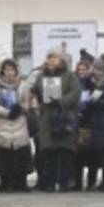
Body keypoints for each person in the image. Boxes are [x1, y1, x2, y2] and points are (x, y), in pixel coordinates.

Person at [31, 46, 80, 192]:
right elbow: (36, 89)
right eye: (49, 57)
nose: (51, 61)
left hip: (64, 117)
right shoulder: (41, 75)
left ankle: (64, 183)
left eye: (54, 57)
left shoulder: (69, 76)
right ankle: (50, 183)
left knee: (64, 152)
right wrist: (36, 94)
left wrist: (61, 101)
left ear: (61, 59)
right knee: (49, 152)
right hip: (47, 117)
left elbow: (76, 92)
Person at [0, 59, 34, 192]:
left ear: (16, 71)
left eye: (12, 69)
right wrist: (7, 112)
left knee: (21, 153)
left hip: (19, 122)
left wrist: (20, 108)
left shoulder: (23, 85)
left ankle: (21, 182)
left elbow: (27, 103)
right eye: (7, 70)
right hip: (2, 122)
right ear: (2, 71)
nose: (9, 73)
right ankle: (5, 182)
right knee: (3, 154)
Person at [85, 54, 104, 192]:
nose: (93, 71)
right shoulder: (99, 83)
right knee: (103, 155)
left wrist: (98, 103)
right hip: (100, 124)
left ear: (103, 69)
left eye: (96, 69)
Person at [75, 58, 99, 191]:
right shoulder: (74, 85)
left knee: (91, 156)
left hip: (89, 123)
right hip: (77, 123)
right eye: (79, 70)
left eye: (83, 69)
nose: (81, 72)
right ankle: (77, 183)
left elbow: (95, 101)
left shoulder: (93, 85)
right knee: (78, 156)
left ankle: (91, 182)